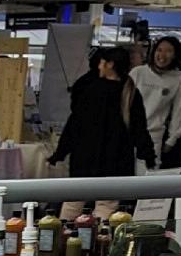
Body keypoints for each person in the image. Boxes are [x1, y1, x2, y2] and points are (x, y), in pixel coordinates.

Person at [52, 46, 155, 178]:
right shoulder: (131, 92)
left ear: (110, 64)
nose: (99, 66)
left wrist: (60, 153)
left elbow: (75, 124)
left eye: (101, 62)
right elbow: (139, 128)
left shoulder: (91, 90)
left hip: (86, 159)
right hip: (118, 161)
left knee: (81, 191)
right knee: (111, 192)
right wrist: (148, 155)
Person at [130, 35, 181, 168]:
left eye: (169, 51)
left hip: (154, 136)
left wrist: (172, 139)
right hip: (129, 134)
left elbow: (179, 110)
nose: (162, 55)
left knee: (148, 175)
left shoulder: (179, 79)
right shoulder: (138, 72)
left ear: (175, 55)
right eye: (159, 50)